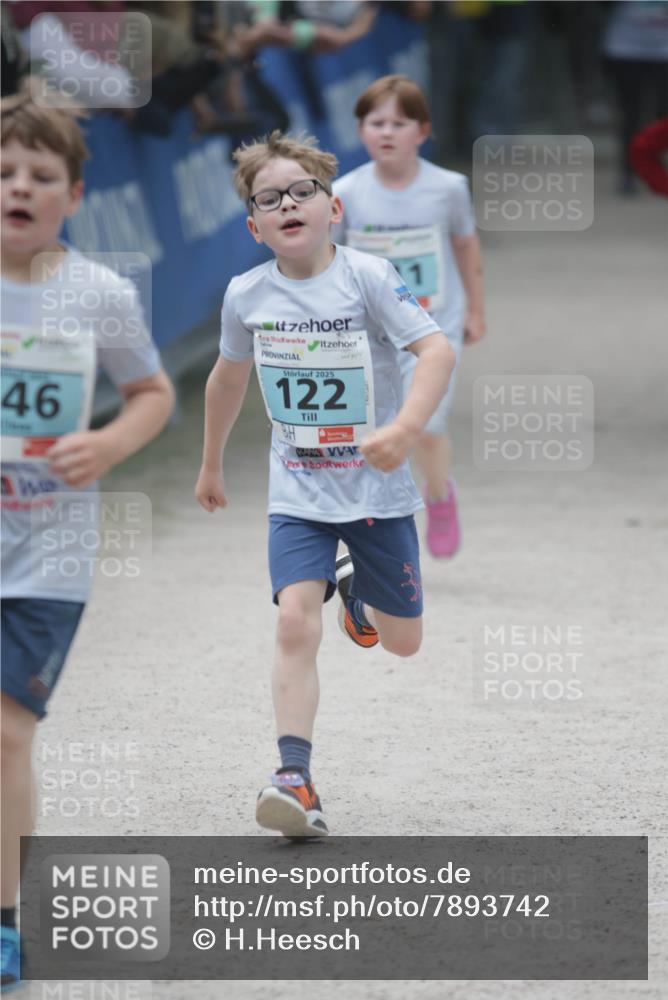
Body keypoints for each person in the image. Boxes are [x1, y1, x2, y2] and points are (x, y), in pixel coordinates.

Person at [195, 130, 455, 838]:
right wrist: (212, 462)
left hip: (378, 496)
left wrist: (403, 428)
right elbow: (226, 378)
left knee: (403, 644)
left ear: (332, 207)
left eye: (301, 192)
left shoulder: (369, 278)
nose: (288, 205)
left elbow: (436, 348)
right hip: (299, 495)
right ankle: (295, 776)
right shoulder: (246, 294)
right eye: (269, 198)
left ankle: (360, 597)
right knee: (290, 621)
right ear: (254, 225)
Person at [0, 90, 175, 989]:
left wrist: (106, 442)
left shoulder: (97, 292)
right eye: (4, 173)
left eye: (41, 175)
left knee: (5, 736)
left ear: (74, 192)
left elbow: (152, 394)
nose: (19, 187)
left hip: (46, 556)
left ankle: (1, 920)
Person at [332, 75, 486, 558]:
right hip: (371, 333)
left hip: (434, 326)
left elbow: (464, 245)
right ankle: (378, 522)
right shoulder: (346, 192)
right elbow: (333, 260)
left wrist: (477, 308)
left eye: (400, 123)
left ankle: (438, 496)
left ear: (422, 131)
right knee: (377, 426)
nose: (387, 132)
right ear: (360, 131)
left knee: (426, 424)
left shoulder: (448, 187)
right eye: (376, 122)